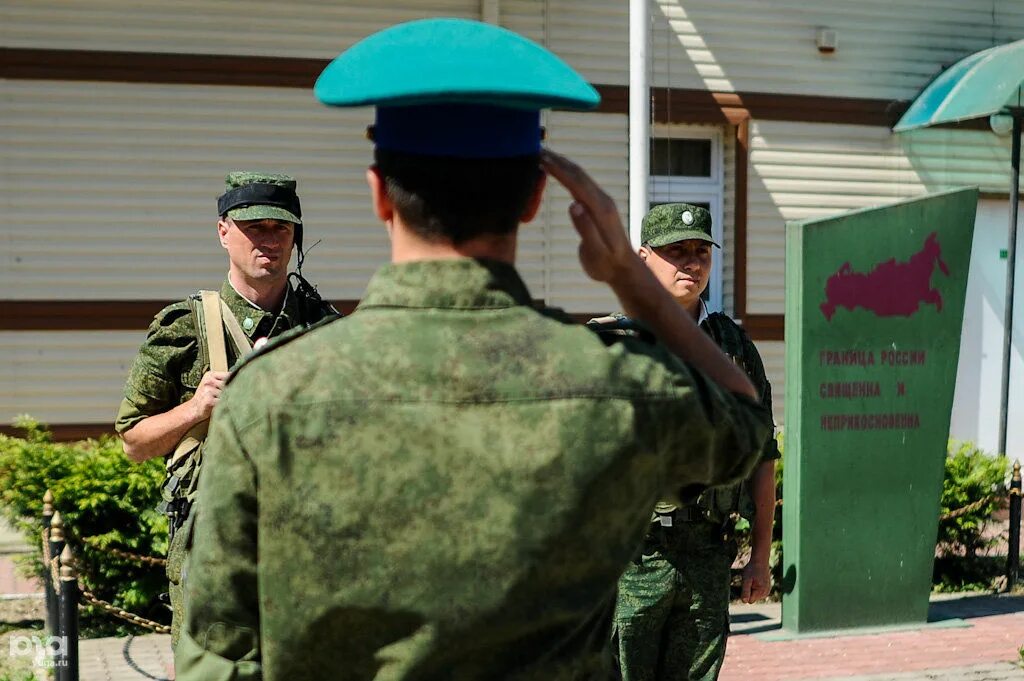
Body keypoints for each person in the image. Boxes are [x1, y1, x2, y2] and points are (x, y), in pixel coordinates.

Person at [175, 19, 773, 681]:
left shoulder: (269, 395)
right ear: (535, 197)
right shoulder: (613, 385)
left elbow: (217, 656)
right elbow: (742, 421)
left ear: (378, 192)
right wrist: (630, 280)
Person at [114, 171, 337, 645]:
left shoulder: (327, 329)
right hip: (214, 571)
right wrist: (197, 408)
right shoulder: (187, 326)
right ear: (223, 231)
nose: (269, 241)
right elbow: (134, 441)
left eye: (281, 229)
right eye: (254, 227)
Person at [603, 203, 780, 681]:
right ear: (643, 257)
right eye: (676, 251)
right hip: (631, 564)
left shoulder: (734, 349)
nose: (692, 262)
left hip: (706, 555)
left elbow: (763, 456)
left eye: (701, 251)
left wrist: (759, 556)